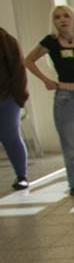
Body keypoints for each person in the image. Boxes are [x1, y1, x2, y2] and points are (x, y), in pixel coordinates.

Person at [23, 5, 74, 197]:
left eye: (66, 16)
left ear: (73, 19)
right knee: (72, 145)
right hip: (66, 97)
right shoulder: (51, 42)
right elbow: (28, 60)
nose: (62, 20)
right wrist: (46, 80)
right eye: (58, 17)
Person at [0, 26, 30, 190]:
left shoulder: (6, 40)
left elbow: (19, 69)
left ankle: (21, 176)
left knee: (10, 136)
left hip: (7, 98)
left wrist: (18, 97)